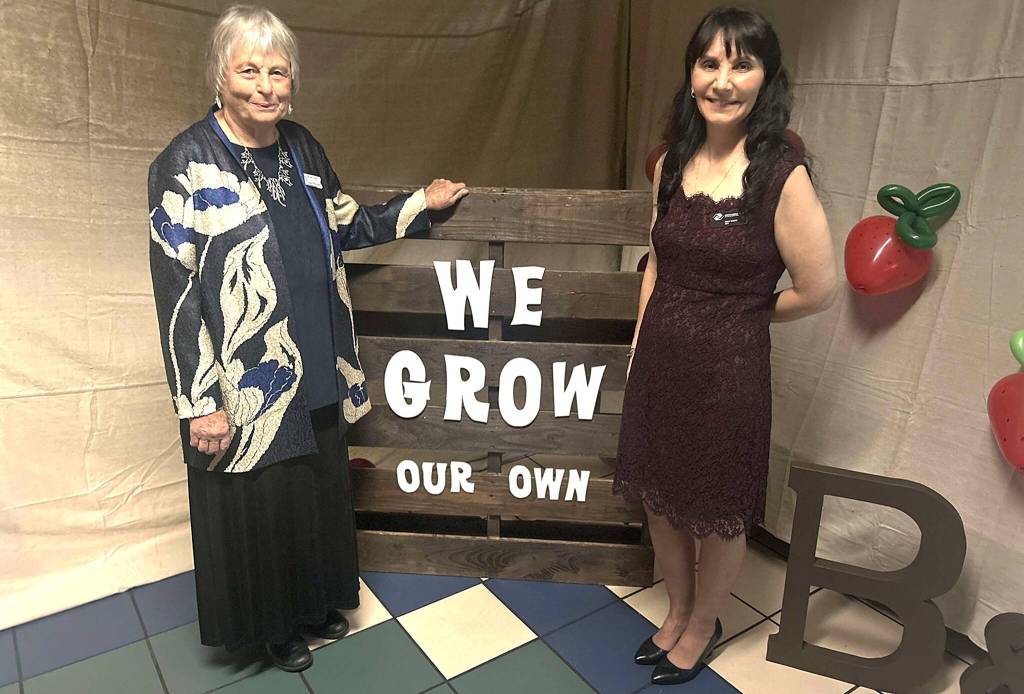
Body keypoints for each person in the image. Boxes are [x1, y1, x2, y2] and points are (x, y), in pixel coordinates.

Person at [147, 5, 467, 673]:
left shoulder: (304, 147)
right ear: (219, 76)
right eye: (249, 70)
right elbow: (174, 292)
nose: (266, 86)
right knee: (262, 501)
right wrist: (198, 400)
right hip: (245, 377)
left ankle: (320, 598)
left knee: (315, 491)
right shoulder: (183, 164)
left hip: (318, 358)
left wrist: (418, 205)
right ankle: (274, 625)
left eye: (278, 72)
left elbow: (348, 226)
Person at [613, 6, 836, 686]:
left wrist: (743, 315)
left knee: (717, 509)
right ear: (692, 74)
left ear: (766, 77)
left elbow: (820, 288)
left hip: (728, 371)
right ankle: (677, 609)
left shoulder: (781, 174)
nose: (722, 80)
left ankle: (705, 624)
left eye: (741, 64)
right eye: (710, 63)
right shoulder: (673, 161)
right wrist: (637, 344)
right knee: (660, 493)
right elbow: (656, 261)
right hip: (661, 357)